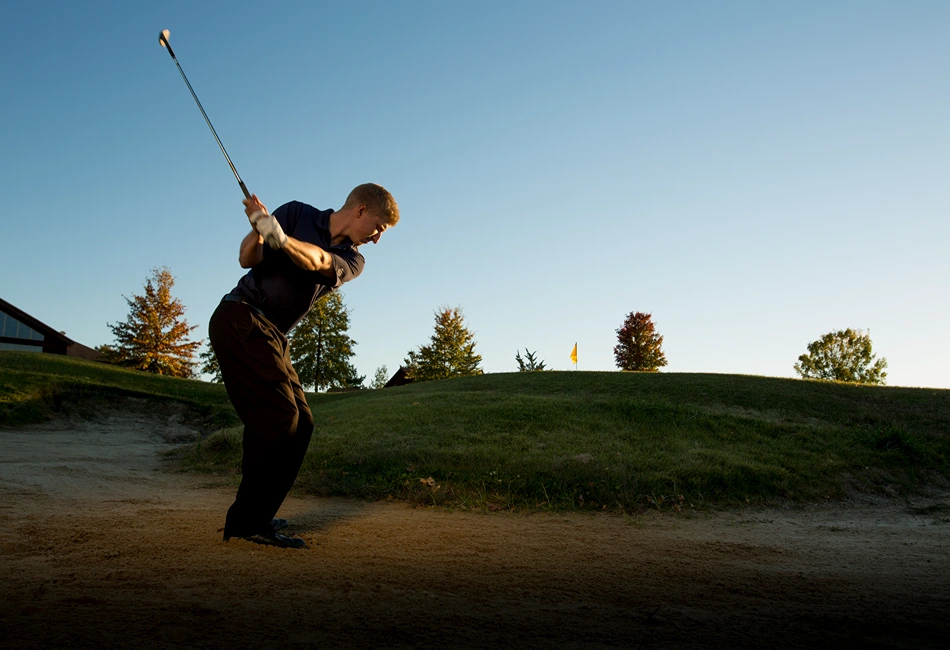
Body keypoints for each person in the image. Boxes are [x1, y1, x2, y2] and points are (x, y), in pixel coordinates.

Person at [208, 183, 399, 548]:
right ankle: (248, 521)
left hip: (273, 334)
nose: (376, 239)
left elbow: (317, 261)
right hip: (241, 315)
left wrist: (280, 238)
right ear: (360, 211)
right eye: (378, 228)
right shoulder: (298, 213)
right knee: (279, 417)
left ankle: (258, 512)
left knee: (303, 424)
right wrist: (259, 227)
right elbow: (247, 259)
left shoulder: (353, 258)